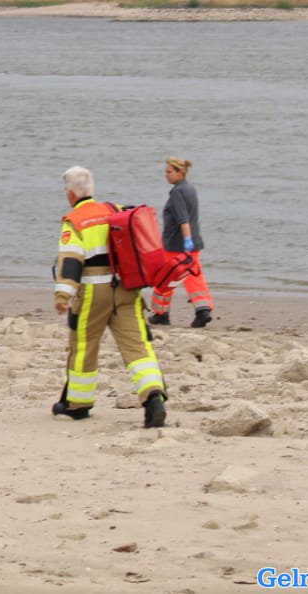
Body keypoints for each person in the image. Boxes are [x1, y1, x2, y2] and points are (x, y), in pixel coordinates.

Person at [52, 166, 167, 428]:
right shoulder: (115, 210)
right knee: (137, 346)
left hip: (94, 292)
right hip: (127, 289)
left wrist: (63, 295)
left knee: (84, 345)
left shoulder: (75, 220)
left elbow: (71, 261)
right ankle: (154, 398)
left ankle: (77, 405)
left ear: (71, 193)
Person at [150, 156, 213, 328]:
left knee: (165, 278)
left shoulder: (177, 192)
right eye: (166, 172)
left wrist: (186, 240)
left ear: (180, 172)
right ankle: (203, 309)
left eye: (169, 172)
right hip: (194, 243)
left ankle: (161, 314)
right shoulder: (190, 189)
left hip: (177, 246)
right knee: (194, 278)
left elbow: (183, 219)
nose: (166, 175)